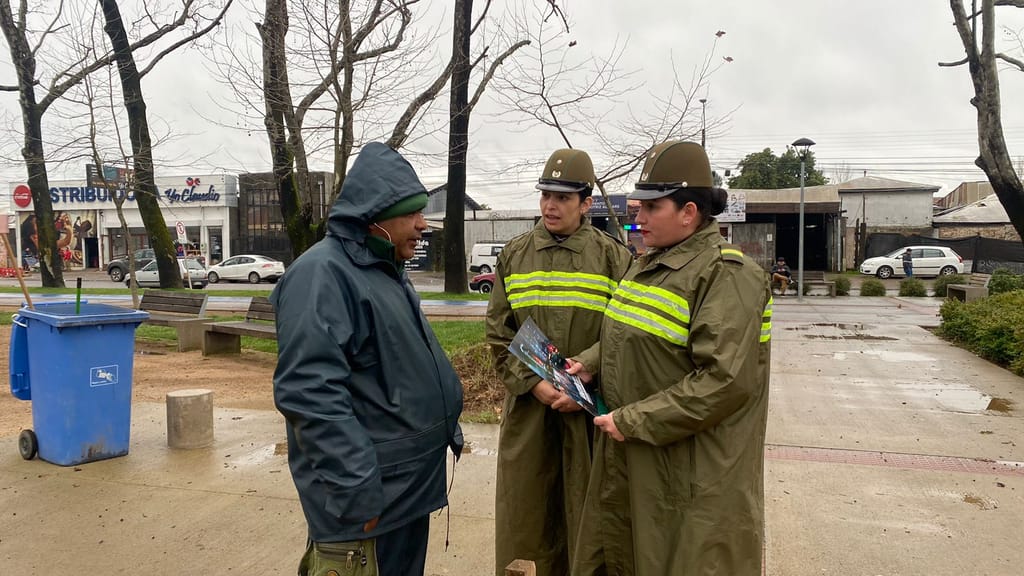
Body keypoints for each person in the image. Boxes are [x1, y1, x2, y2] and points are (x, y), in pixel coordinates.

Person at [569, 141, 773, 576]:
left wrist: (632, 420)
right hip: (636, 461)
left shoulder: (727, 275)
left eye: (650, 208)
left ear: (689, 212)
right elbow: (627, 334)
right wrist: (590, 362)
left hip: (689, 475)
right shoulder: (649, 264)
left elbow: (724, 381)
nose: (636, 218)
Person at [271, 142, 464, 576]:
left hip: (405, 493)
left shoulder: (383, 269)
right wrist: (357, 492)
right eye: (412, 213)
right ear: (376, 215)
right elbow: (309, 394)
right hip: (369, 504)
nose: (423, 224)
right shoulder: (322, 275)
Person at [486, 149, 631, 576]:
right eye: (546, 194)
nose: (551, 205)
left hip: (589, 414)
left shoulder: (613, 258)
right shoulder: (514, 255)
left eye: (563, 197)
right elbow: (499, 331)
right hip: (531, 412)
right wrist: (534, 384)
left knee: (589, 522)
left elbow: (625, 335)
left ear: (586, 203)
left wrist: (586, 368)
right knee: (525, 519)